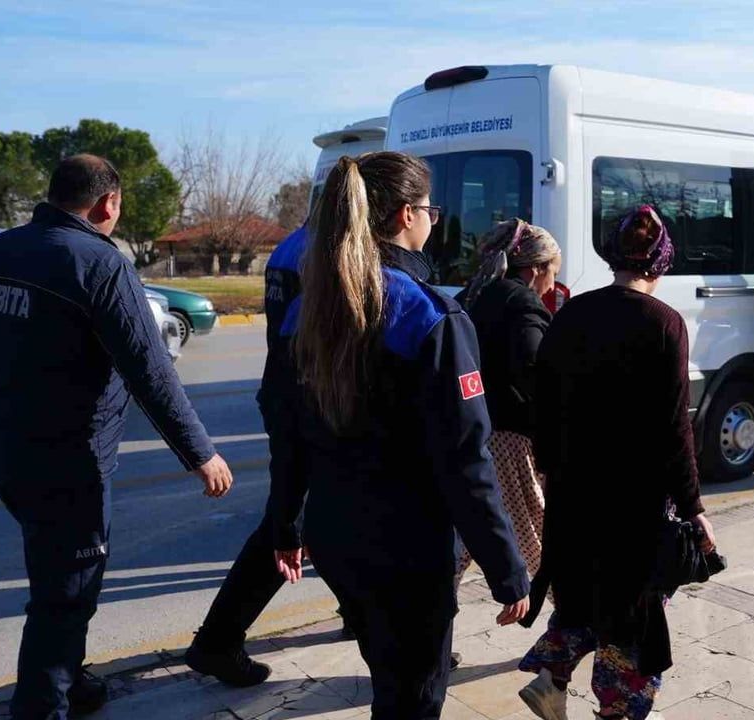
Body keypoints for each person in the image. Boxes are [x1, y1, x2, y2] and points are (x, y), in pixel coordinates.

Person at [0, 154, 233, 720]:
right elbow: (150, 370)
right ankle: (42, 706)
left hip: (4, 450)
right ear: (108, 203)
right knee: (66, 593)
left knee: (57, 567)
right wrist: (200, 453)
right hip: (69, 462)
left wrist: (1, 413)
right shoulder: (100, 264)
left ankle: (72, 681)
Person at [290, 151, 530, 718]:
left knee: (389, 678)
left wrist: (285, 521)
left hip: (336, 535)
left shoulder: (310, 306)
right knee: (415, 698)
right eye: (429, 210)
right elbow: (466, 460)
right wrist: (508, 569)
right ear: (405, 215)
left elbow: (287, 430)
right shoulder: (429, 315)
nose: (433, 221)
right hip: (407, 549)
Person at [516, 205, 716, 720]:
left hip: (574, 494)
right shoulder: (664, 324)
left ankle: (551, 678)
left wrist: (550, 470)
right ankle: (616, 711)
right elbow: (675, 430)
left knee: (582, 593)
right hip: (635, 504)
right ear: (662, 259)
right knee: (633, 614)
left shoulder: (573, 313)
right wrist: (693, 507)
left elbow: (543, 402)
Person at [184, 221, 353, 687]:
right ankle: (217, 640)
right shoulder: (331, 247)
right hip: (308, 400)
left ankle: (368, 620)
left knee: (319, 520)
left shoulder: (292, 244)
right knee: (289, 524)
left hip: (287, 392)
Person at [454, 218, 561, 579]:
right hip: (511, 440)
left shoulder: (474, 294)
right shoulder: (523, 304)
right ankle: (568, 609)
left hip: (471, 431)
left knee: (469, 532)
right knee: (536, 538)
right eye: (552, 272)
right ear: (536, 268)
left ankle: (436, 603)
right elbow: (536, 373)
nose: (551, 285)